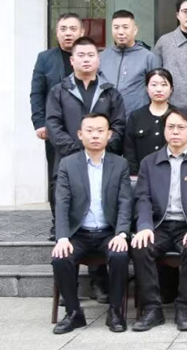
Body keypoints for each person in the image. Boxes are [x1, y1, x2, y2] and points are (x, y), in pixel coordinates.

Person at [130, 108, 187, 332]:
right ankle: (152, 309)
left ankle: (185, 307)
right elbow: (142, 198)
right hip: (159, 225)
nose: (175, 132)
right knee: (140, 246)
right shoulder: (149, 162)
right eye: (171, 127)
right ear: (164, 131)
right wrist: (144, 226)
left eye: (181, 127)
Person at [50, 113, 132, 335]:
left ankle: (115, 311)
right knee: (61, 257)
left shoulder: (120, 164)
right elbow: (62, 203)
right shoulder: (68, 164)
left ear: (109, 134)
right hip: (79, 233)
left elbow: (125, 202)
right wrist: (62, 237)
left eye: (100, 131)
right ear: (80, 134)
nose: (95, 135)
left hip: (108, 232)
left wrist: (122, 234)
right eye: (89, 130)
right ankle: (74, 313)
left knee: (119, 255)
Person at [31, 12, 84, 238]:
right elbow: (37, 93)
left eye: (73, 29)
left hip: (85, 129)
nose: (68, 33)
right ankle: (58, 223)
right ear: (56, 32)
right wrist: (39, 123)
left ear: (82, 32)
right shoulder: (45, 58)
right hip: (55, 129)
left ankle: (83, 222)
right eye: (63, 29)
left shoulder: (87, 55)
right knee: (57, 177)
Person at [99, 9, 161, 116]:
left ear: (135, 30)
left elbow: (158, 91)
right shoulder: (102, 57)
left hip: (137, 119)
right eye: (116, 27)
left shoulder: (148, 57)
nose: (120, 32)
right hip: (107, 118)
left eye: (125, 27)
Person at [124, 68, 174, 176]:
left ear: (171, 89)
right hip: (142, 176)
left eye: (164, 85)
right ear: (147, 88)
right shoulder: (136, 116)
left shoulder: (178, 115)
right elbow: (129, 150)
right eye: (154, 85)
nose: (159, 89)